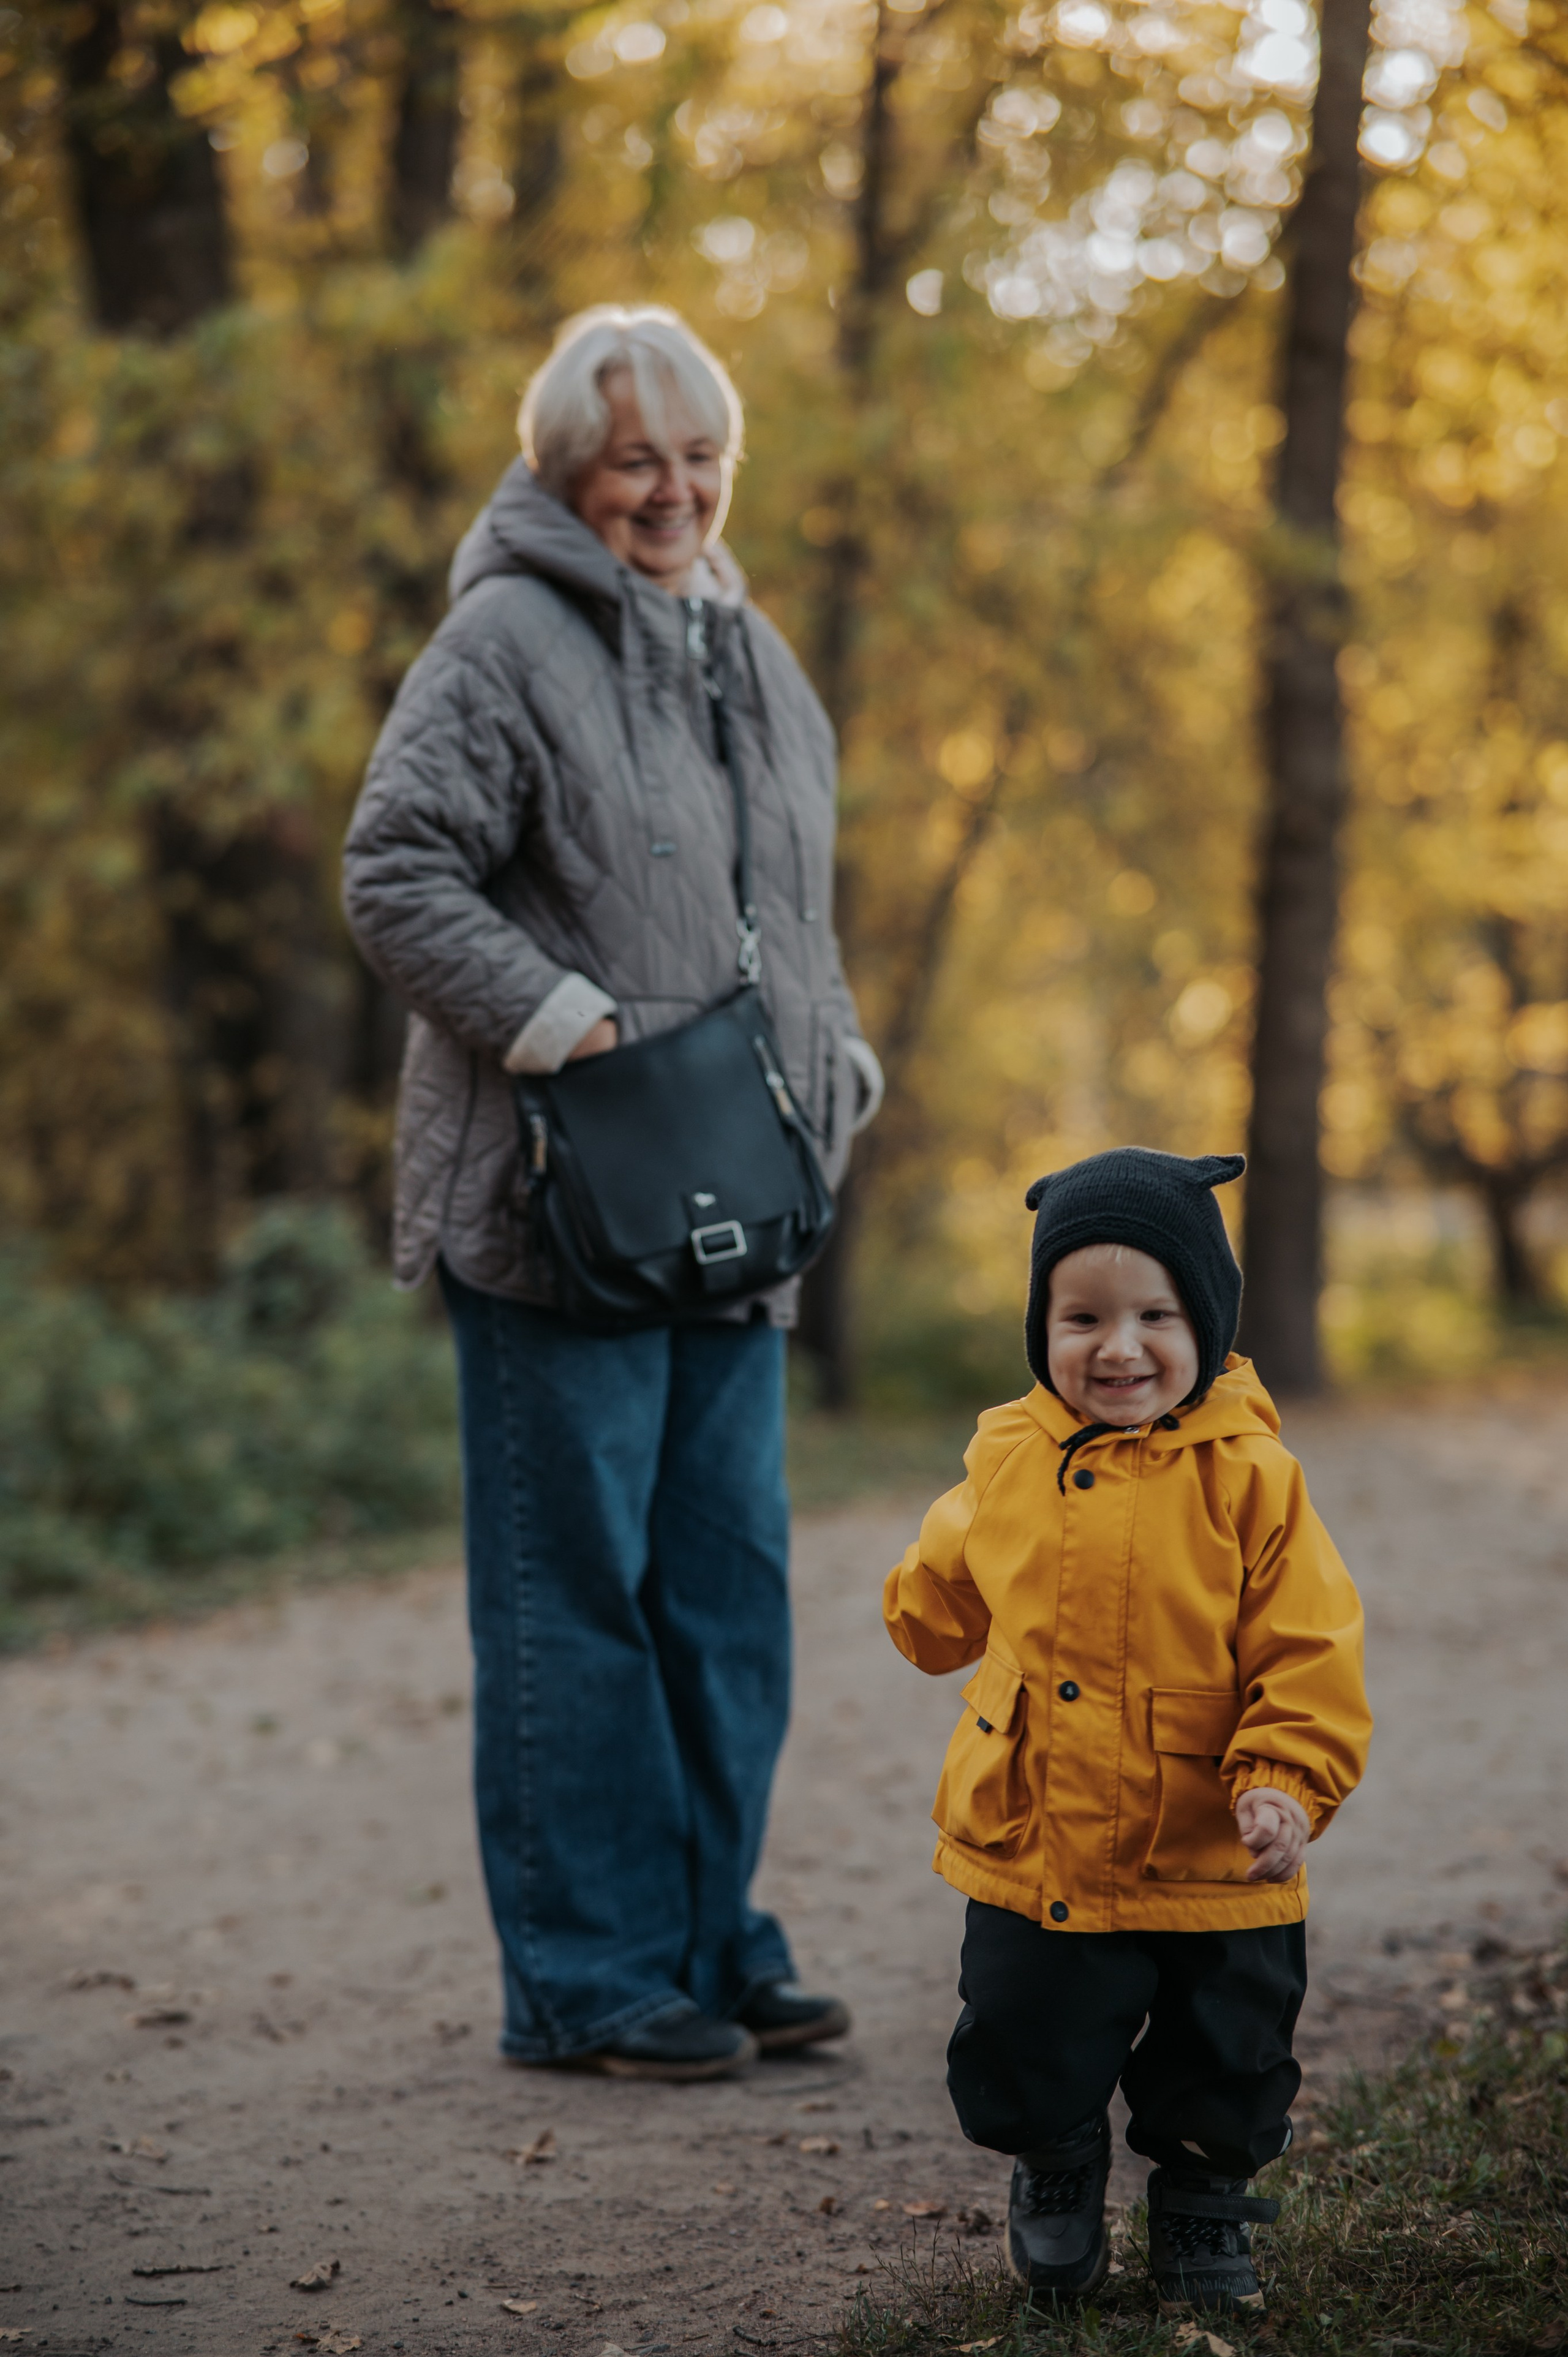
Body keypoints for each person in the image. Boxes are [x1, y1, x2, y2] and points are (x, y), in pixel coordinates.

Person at [342, 305, 883, 2081]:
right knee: (576, 1597)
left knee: (725, 1595)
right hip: (562, 1202)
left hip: (734, 1196)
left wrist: (840, 1055)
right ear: (568, 472)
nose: (678, 489)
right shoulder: (505, 639)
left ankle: (712, 1937)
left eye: (703, 453)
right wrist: (552, 1019)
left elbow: (786, 908)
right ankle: (587, 1975)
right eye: (638, 458)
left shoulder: (750, 644)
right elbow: (396, 870)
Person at [883, 1148, 1371, 2312]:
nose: (1119, 1347)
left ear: (1206, 1323)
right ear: (1042, 1327)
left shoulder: (1256, 1481)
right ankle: (1057, 2162)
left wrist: (1285, 1783)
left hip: (1211, 1840)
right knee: (1022, 2027)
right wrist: (944, 1559)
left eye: (1156, 1314)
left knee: (1228, 2047)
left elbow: (1309, 1649)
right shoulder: (1010, 1458)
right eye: (1083, 1316)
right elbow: (934, 1621)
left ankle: (1204, 2212)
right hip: (1039, 1833)